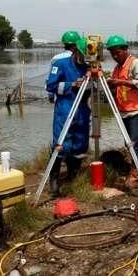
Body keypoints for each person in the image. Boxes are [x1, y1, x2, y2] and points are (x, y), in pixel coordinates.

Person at [45, 36, 91, 197]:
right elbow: (50, 86)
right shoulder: (60, 64)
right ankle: (54, 180)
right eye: (82, 55)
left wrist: (91, 83)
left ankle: (73, 176)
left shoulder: (88, 67)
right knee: (61, 145)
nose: (84, 59)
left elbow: (92, 90)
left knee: (80, 145)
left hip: (82, 111)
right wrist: (71, 85)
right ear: (75, 50)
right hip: (65, 110)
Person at [105, 35, 138, 160]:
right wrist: (111, 84)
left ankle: (136, 172)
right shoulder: (117, 68)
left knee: (135, 143)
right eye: (112, 54)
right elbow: (117, 87)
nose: (115, 56)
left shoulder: (135, 63)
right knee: (128, 143)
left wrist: (121, 82)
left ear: (125, 50)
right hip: (124, 111)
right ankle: (134, 165)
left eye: (117, 53)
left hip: (136, 111)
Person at [47, 31, 81, 103]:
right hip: (78, 100)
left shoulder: (56, 59)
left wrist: (51, 96)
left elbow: (50, 80)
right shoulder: (80, 59)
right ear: (77, 45)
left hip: (63, 100)